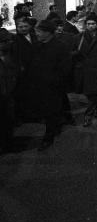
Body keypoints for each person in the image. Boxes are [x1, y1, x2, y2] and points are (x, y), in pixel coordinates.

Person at [26, 20, 71, 151]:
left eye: (39, 31)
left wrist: (55, 81)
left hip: (53, 87)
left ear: (47, 32)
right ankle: (54, 127)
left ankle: (48, 136)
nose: (36, 34)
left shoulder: (60, 47)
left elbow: (65, 68)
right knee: (46, 111)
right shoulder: (37, 46)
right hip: (40, 85)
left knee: (51, 110)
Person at [73, 13, 97, 127]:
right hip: (84, 69)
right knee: (88, 93)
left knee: (93, 91)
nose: (90, 26)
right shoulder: (79, 37)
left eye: (93, 23)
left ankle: (88, 116)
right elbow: (72, 51)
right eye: (88, 24)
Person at [0, 30, 16, 153]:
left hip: (8, 94)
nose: (9, 43)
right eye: (6, 42)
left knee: (8, 121)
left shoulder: (9, 56)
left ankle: (8, 144)